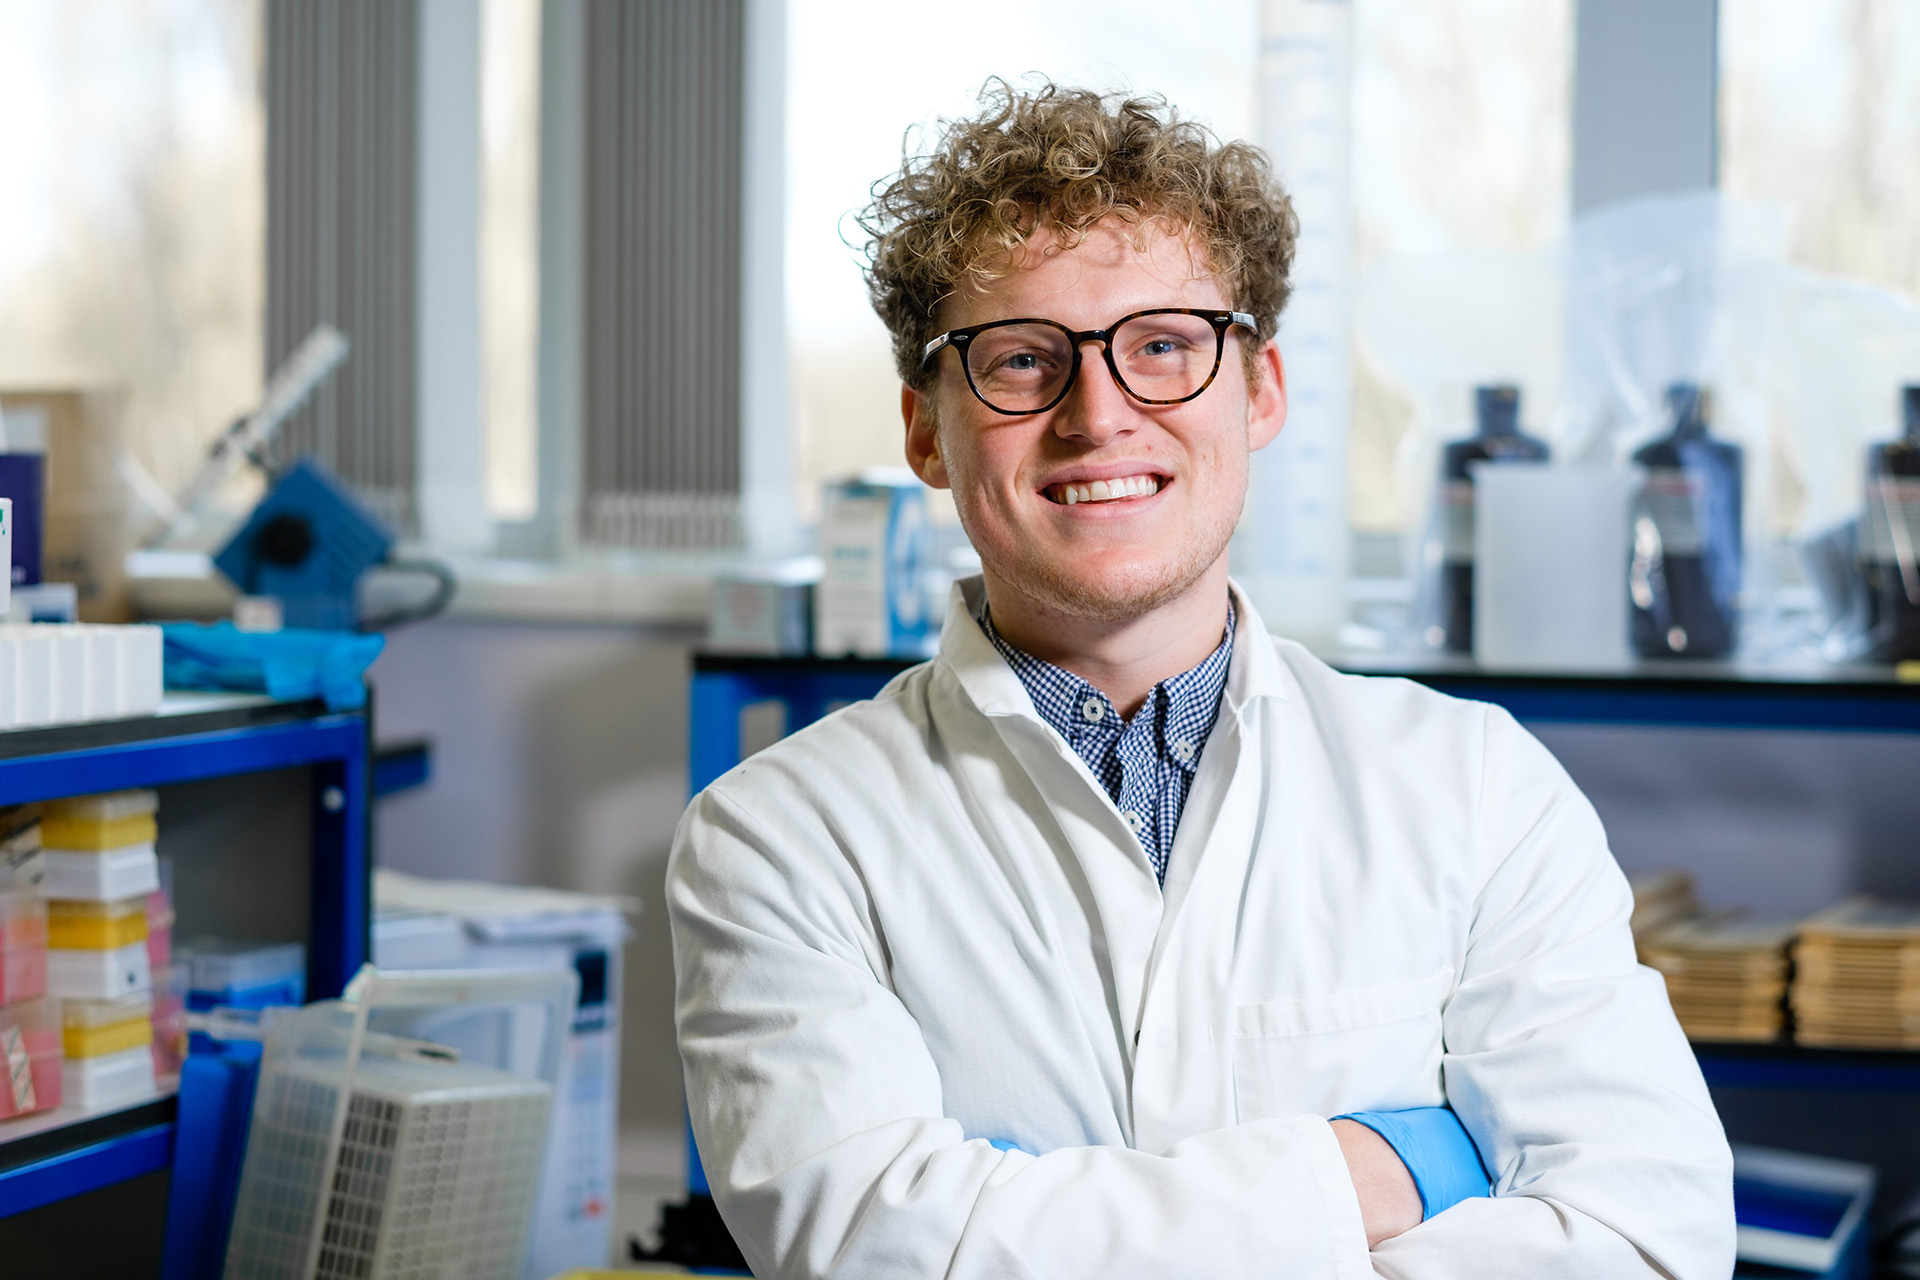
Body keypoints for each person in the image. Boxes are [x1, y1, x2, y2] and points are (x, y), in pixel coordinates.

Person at [668, 81, 1734, 1279]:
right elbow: (872, 1249)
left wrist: (1017, 1218)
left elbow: (1646, 1236)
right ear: (925, 428)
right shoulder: (773, 837)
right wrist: (1373, 1170)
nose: (1099, 414)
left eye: (1163, 346)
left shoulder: (1476, 785)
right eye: (1021, 360)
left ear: (1261, 388)